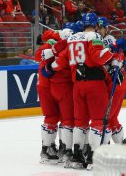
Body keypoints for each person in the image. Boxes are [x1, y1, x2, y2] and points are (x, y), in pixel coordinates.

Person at [50, 13, 124, 169]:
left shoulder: (72, 38)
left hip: (77, 85)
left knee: (80, 122)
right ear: (96, 25)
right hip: (94, 83)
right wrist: (114, 52)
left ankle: (76, 158)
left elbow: (57, 64)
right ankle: (92, 158)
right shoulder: (94, 36)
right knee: (98, 120)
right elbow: (99, 57)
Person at [35, 28, 73, 165]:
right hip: (53, 85)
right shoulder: (54, 42)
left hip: (49, 84)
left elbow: (39, 56)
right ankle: (62, 149)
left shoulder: (54, 41)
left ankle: (48, 149)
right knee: (62, 118)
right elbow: (38, 56)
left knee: (56, 118)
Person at [97, 16, 126, 145]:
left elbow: (117, 58)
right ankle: (121, 143)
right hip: (113, 83)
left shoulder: (109, 40)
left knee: (107, 117)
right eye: (97, 28)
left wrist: (118, 64)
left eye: (101, 28)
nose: (99, 31)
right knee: (112, 118)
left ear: (106, 28)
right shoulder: (97, 39)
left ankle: (103, 147)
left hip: (115, 83)